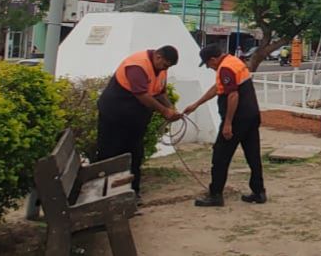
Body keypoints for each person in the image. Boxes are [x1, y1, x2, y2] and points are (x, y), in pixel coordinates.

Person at [96, 45, 181, 201]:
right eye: (165, 65)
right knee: (110, 153)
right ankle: (104, 196)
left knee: (135, 154)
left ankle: (132, 193)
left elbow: (160, 92)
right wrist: (164, 111)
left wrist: (171, 108)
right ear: (158, 57)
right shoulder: (137, 65)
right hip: (114, 116)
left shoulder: (161, 69)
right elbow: (142, 95)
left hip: (135, 120)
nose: (165, 69)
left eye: (168, 67)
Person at [186, 44, 266, 206]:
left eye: (208, 64)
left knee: (220, 156)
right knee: (253, 155)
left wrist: (228, 123)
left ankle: (215, 194)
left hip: (237, 119)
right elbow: (218, 88)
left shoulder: (225, 68)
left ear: (214, 59)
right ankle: (259, 192)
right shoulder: (234, 62)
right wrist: (197, 104)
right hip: (252, 116)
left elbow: (232, 96)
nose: (209, 67)